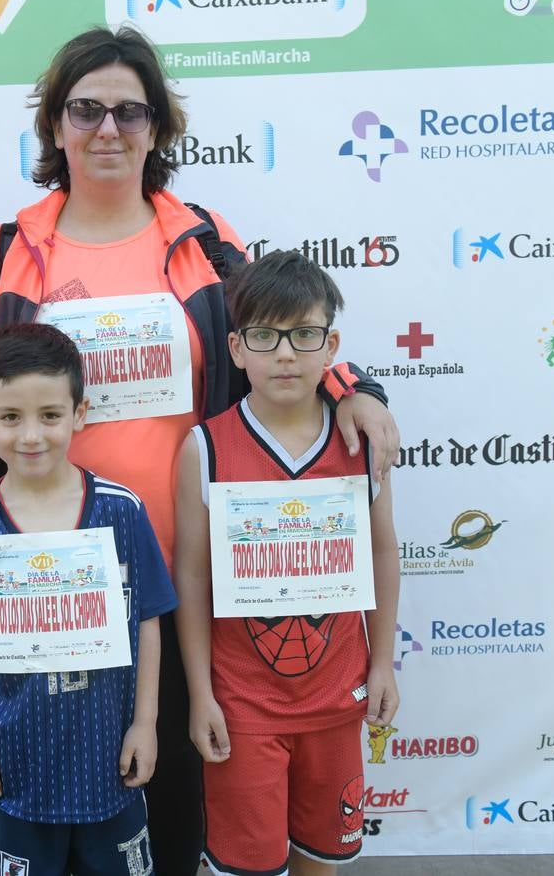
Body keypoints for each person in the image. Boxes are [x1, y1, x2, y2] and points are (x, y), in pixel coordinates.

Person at [0, 25, 400, 874]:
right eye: (86, 109)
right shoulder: (2, 248)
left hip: (191, 568)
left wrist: (356, 389)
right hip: (54, 571)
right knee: (70, 803)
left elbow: (279, 330)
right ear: (55, 124)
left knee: (187, 784)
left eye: (129, 111)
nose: (107, 129)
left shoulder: (202, 235)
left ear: (158, 129)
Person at [172, 250, 401, 875]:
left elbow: (382, 554)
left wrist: (382, 663)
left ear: (332, 348)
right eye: (265, 336)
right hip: (242, 702)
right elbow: (191, 577)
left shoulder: (358, 443)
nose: (285, 354)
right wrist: (201, 695)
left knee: (321, 856)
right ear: (237, 348)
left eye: (304, 335)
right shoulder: (206, 446)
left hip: (336, 694)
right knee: (249, 862)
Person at [0, 323, 177, 875]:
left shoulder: (120, 510)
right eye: (10, 418)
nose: (31, 436)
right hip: (21, 770)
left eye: (50, 415)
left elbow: (146, 621)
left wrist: (146, 723)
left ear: (80, 413)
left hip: (109, 765)